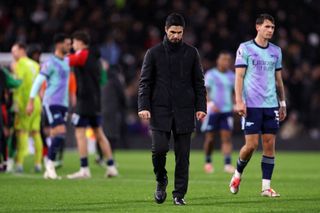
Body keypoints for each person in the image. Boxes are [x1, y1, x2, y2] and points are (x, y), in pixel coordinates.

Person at [138, 13, 206, 205]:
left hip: (185, 111)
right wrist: (143, 106)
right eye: (173, 32)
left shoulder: (192, 53)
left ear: (184, 32)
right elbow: (145, 83)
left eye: (180, 32)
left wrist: (201, 107)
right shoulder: (153, 53)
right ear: (166, 31)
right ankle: (161, 180)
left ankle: (179, 195)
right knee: (159, 151)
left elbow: (199, 83)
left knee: (182, 157)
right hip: (160, 111)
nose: (176, 36)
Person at [229, 14, 287, 197]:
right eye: (267, 27)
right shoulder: (245, 48)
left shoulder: (276, 51)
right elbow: (239, 76)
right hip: (251, 105)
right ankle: (237, 174)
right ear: (258, 27)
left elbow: (278, 80)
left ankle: (266, 187)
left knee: (269, 144)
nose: (270, 30)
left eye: (272, 27)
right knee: (251, 145)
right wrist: (238, 101)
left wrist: (282, 103)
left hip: (270, 105)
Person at [67, 31, 118, 179]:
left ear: (81, 43)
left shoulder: (82, 54)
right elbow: (102, 80)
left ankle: (84, 169)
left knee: (80, 133)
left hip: (84, 101)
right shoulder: (97, 59)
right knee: (99, 134)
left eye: (74, 42)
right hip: (96, 101)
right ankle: (111, 166)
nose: (72, 45)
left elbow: (67, 61)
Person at [27, 33, 71, 179]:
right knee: (60, 132)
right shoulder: (50, 62)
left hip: (63, 103)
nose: (69, 46)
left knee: (54, 134)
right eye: (67, 43)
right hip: (51, 102)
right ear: (58, 44)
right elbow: (38, 82)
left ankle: (48, 168)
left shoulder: (67, 61)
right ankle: (50, 164)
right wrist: (31, 101)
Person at [201, 51, 235, 174]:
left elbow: (235, 93)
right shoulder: (211, 74)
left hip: (227, 110)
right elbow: (205, 91)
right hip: (212, 111)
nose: (226, 62)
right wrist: (210, 104)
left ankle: (227, 164)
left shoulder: (232, 76)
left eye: (228, 60)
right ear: (218, 61)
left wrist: (236, 104)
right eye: (223, 60)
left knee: (226, 137)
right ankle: (208, 162)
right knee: (210, 138)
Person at [11, 42, 43, 173]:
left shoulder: (19, 64)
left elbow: (19, 84)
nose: (13, 54)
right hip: (36, 102)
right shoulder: (35, 65)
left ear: (22, 50)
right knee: (35, 133)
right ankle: (38, 163)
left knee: (21, 132)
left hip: (25, 102)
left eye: (15, 51)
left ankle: (19, 163)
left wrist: (16, 103)